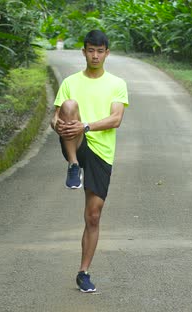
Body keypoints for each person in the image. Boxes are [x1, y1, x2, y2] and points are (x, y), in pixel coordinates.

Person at [50, 30, 129, 293]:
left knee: (93, 216)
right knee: (70, 104)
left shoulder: (117, 83)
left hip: (101, 149)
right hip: (76, 144)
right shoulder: (70, 82)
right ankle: (73, 165)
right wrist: (58, 125)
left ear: (107, 53)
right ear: (83, 52)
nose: (95, 55)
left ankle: (83, 272)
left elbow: (116, 119)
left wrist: (85, 126)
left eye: (100, 51)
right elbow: (57, 115)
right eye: (90, 50)